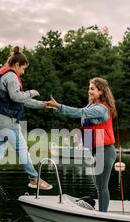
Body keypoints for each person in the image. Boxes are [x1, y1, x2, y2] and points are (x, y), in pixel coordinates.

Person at [0, 46, 52, 190]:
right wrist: (31, 92)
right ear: (16, 65)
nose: (23, 72)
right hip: (5, 120)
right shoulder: (12, 75)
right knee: (22, 149)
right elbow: (17, 96)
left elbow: (19, 99)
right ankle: (34, 178)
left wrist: (42, 105)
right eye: (23, 69)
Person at [45, 77, 117, 212]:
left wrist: (59, 106)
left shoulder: (101, 109)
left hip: (105, 151)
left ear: (101, 92)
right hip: (96, 151)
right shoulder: (91, 106)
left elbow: (80, 112)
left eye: (92, 89)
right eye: (89, 88)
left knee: (102, 187)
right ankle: (102, 213)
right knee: (98, 186)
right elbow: (83, 118)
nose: (89, 91)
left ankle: (103, 216)